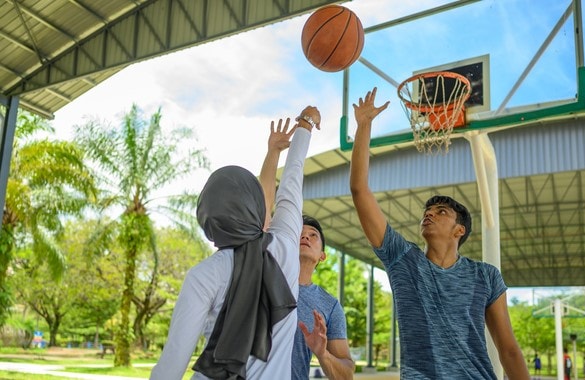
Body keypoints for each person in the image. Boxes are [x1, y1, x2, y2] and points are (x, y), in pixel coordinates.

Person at [348, 86, 530, 379]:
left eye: (441, 212)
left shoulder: (485, 276)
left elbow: (508, 349)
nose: (429, 214)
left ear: (460, 230)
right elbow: (359, 189)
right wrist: (364, 126)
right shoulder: (403, 261)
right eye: (427, 212)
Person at [150, 106, 320, 380]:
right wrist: (305, 126)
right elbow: (291, 186)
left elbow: (171, 366)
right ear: (254, 207)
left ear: (208, 224)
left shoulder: (203, 276)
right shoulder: (286, 247)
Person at [259, 123, 355, 379]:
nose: (306, 237)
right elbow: (264, 204)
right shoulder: (264, 270)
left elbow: (346, 374)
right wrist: (273, 152)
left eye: (313, 236)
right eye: (300, 233)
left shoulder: (328, 306)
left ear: (322, 255)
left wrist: (322, 353)